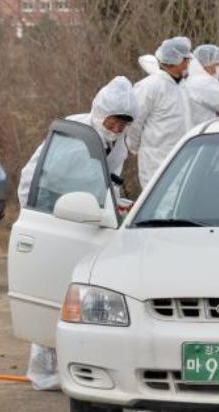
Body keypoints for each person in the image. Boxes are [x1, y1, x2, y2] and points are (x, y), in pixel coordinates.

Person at [17, 76, 138, 390]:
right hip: (55, 214)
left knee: (78, 299)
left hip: (84, 217)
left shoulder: (115, 142)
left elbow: (106, 180)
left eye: (121, 126)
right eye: (112, 122)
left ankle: (71, 366)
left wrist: (114, 204)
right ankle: (44, 372)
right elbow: (36, 182)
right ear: (99, 112)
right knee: (53, 292)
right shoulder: (78, 136)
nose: (115, 130)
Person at [128, 36, 192, 188]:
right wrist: (134, 147)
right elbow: (134, 121)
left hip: (182, 158)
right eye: (186, 58)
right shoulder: (150, 86)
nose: (189, 62)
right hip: (156, 160)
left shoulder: (183, 86)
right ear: (176, 60)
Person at [184, 44, 219, 126]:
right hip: (206, 132)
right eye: (217, 64)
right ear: (208, 65)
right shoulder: (203, 83)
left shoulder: (192, 80)